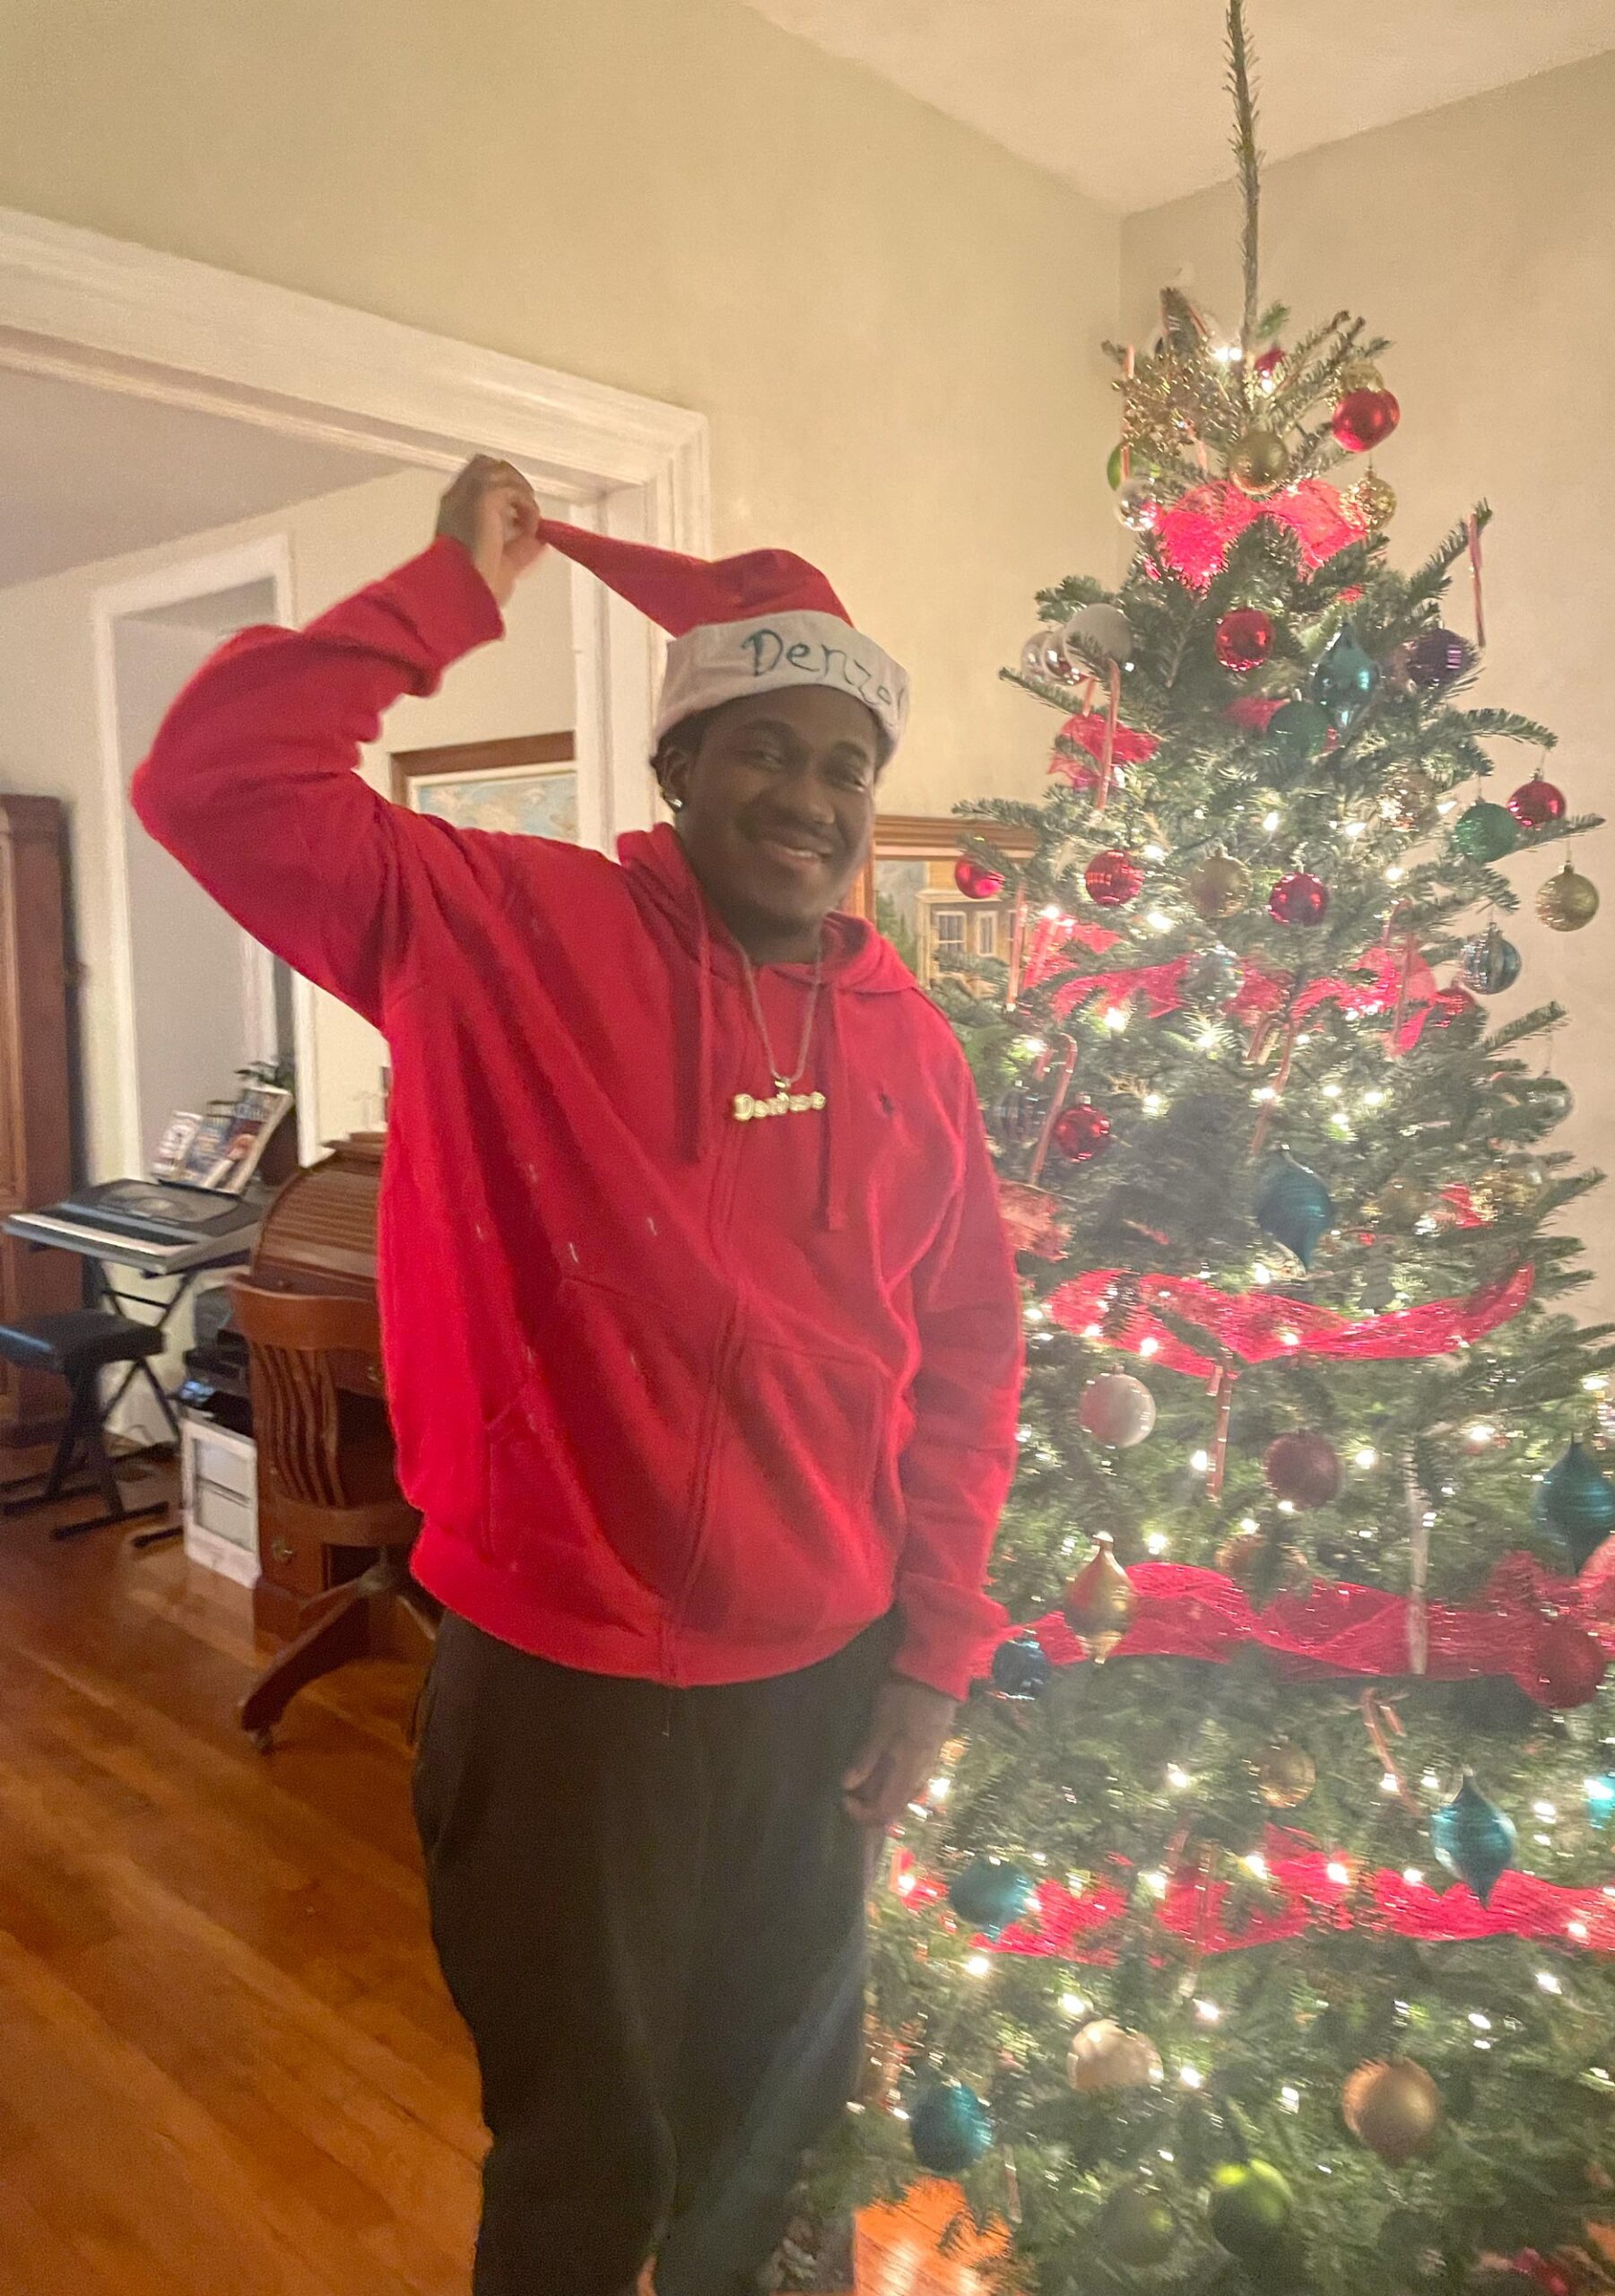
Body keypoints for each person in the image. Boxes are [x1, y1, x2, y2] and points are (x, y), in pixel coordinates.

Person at [132, 457, 1025, 2296]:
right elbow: (210, 781)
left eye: (845, 760)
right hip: (560, 1693)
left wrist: (935, 1651)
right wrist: (445, 594)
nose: (812, 794)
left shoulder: (912, 1046)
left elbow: (964, 1365)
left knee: (769, 2135)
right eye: (764, 745)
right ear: (679, 767)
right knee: (580, 2151)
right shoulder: (502, 930)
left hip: (823, 1678)